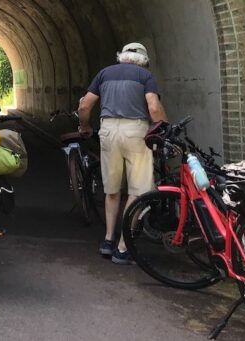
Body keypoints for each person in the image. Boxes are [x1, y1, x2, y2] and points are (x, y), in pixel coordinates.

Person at [77, 42, 168, 265]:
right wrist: (164, 128)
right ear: (143, 60)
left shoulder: (104, 74)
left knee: (112, 188)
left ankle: (108, 240)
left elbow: (85, 105)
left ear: (122, 56)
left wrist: (85, 126)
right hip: (135, 131)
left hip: (108, 130)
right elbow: (154, 107)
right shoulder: (144, 76)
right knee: (139, 189)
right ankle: (123, 246)